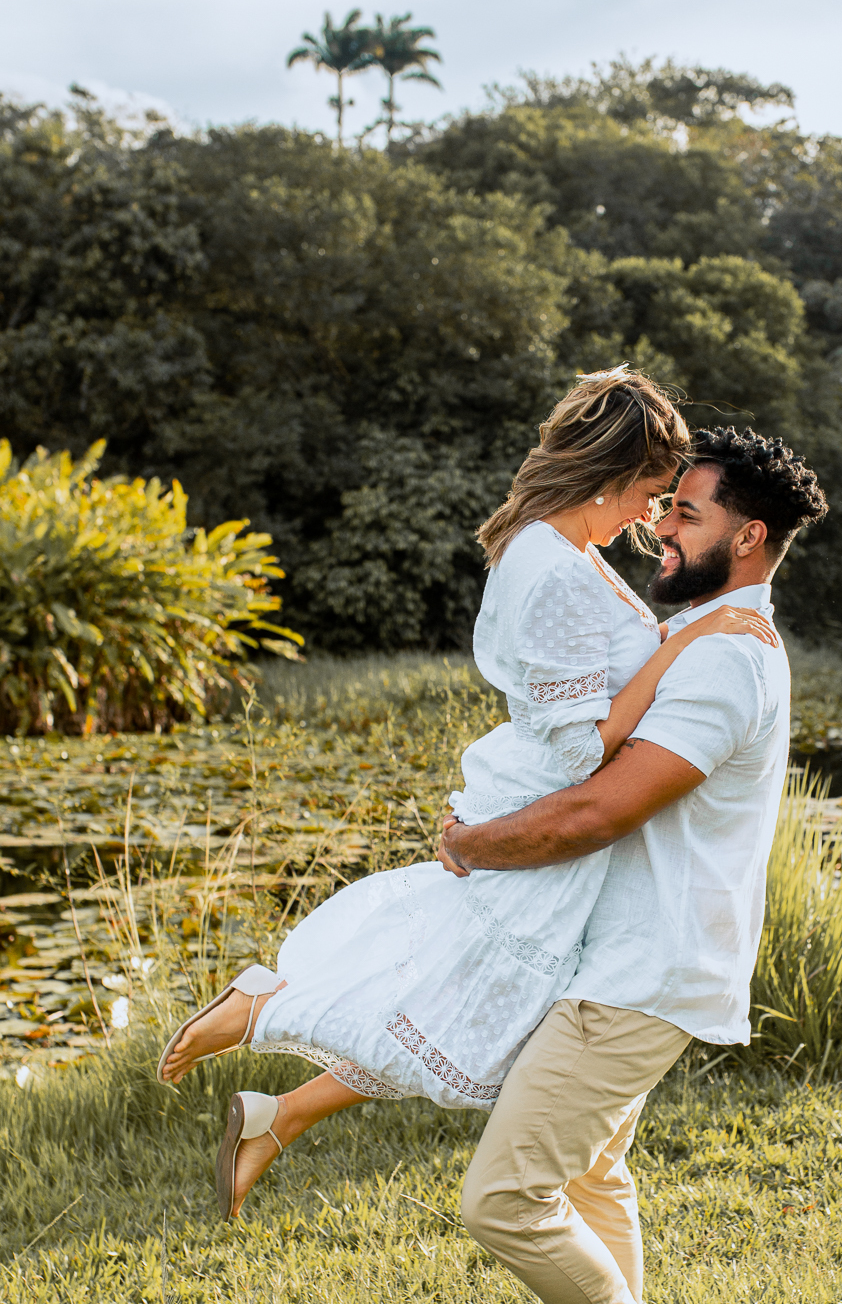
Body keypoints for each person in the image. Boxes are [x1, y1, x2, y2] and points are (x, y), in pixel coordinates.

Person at [155, 370, 778, 1221]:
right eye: (647, 492)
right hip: (553, 816)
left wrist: (682, 636)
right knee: (476, 1007)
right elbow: (579, 755)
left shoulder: (567, 555)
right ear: (606, 474)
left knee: (477, 1010)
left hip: (551, 827)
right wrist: (687, 641)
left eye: (672, 504)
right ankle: (270, 1009)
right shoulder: (556, 572)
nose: (651, 516)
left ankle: (278, 1107)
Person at [437, 425, 828, 1304]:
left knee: (505, 1198)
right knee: (594, 1169)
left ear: (748, 538)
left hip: (644, 973)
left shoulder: (727, 662)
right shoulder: (701, 635)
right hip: (623, 957)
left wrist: (472, 844)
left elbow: (599, 812)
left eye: (686, 512)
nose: (660, 522)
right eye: (664, 504)